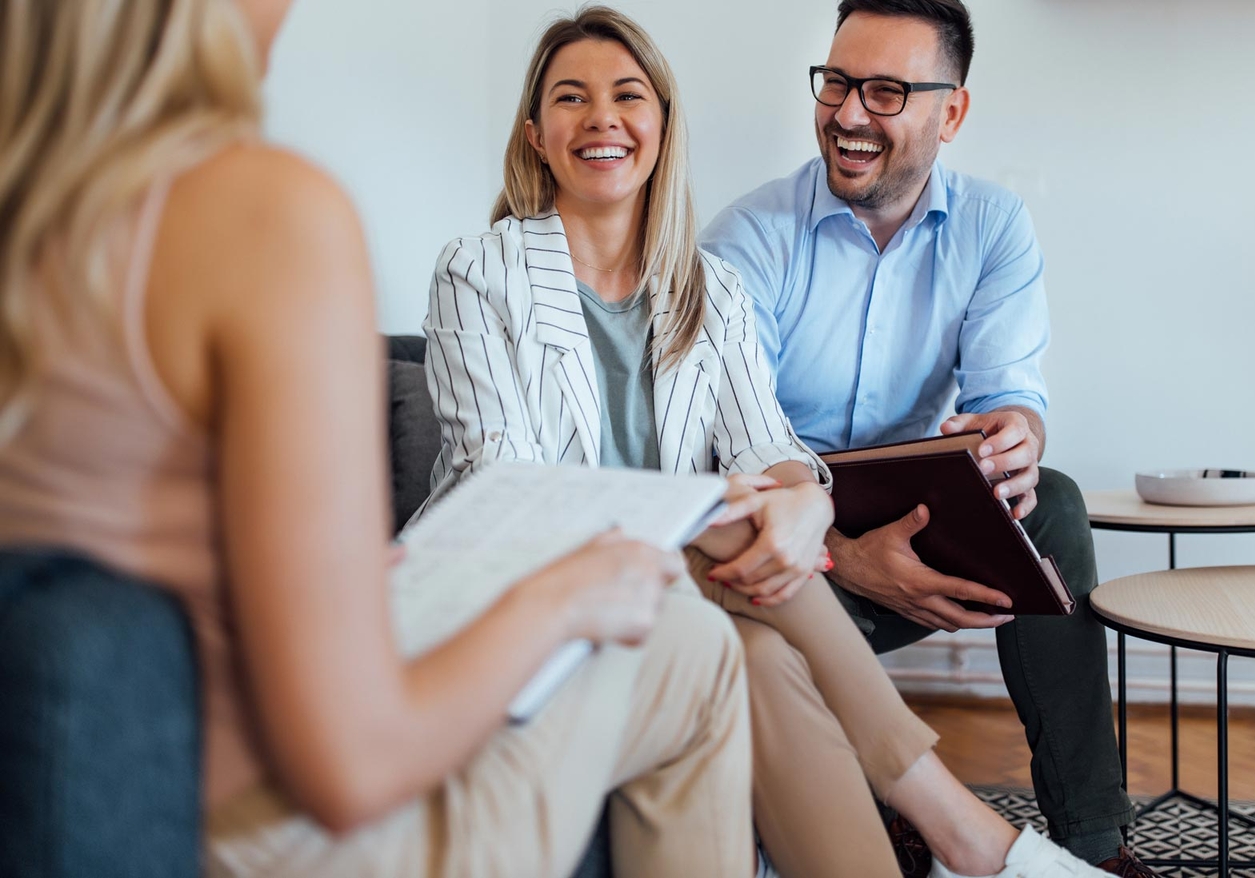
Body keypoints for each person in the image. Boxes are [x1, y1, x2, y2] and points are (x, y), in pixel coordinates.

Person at [0, 1, 755, 876]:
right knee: (695, 653)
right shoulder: (266, 213)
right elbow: (352, 765)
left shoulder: (39, 215)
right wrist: (564, 596)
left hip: (85, 793)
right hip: (255, 830)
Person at [421, 7, 1104, 878]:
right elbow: (510, 489)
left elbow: (770, 448)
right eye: (571, 98)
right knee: (744, 567)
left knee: (758, 645)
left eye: (628, 95)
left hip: (694, 595)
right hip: (523, 595)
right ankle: (964, 832)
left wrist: (802, 505)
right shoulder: (478, 271)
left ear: (663, 125)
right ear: (535, 134)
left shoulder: (711, 289)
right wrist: (771, 520)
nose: (601, 118)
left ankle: (1007, 839)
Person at [700, 1, 1161, 874]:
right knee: (758, 575)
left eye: (884, 91)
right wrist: (844, 551)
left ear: (951, 113)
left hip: (912, 507)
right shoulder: (746, 240)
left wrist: (1015, 432)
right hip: (783, 531)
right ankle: (881, 813)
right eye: (836, 82)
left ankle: (1093, 845)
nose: (846, 114)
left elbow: (1008, 394)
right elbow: (728, 446)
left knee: (1052, 502)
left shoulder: (992, 227)